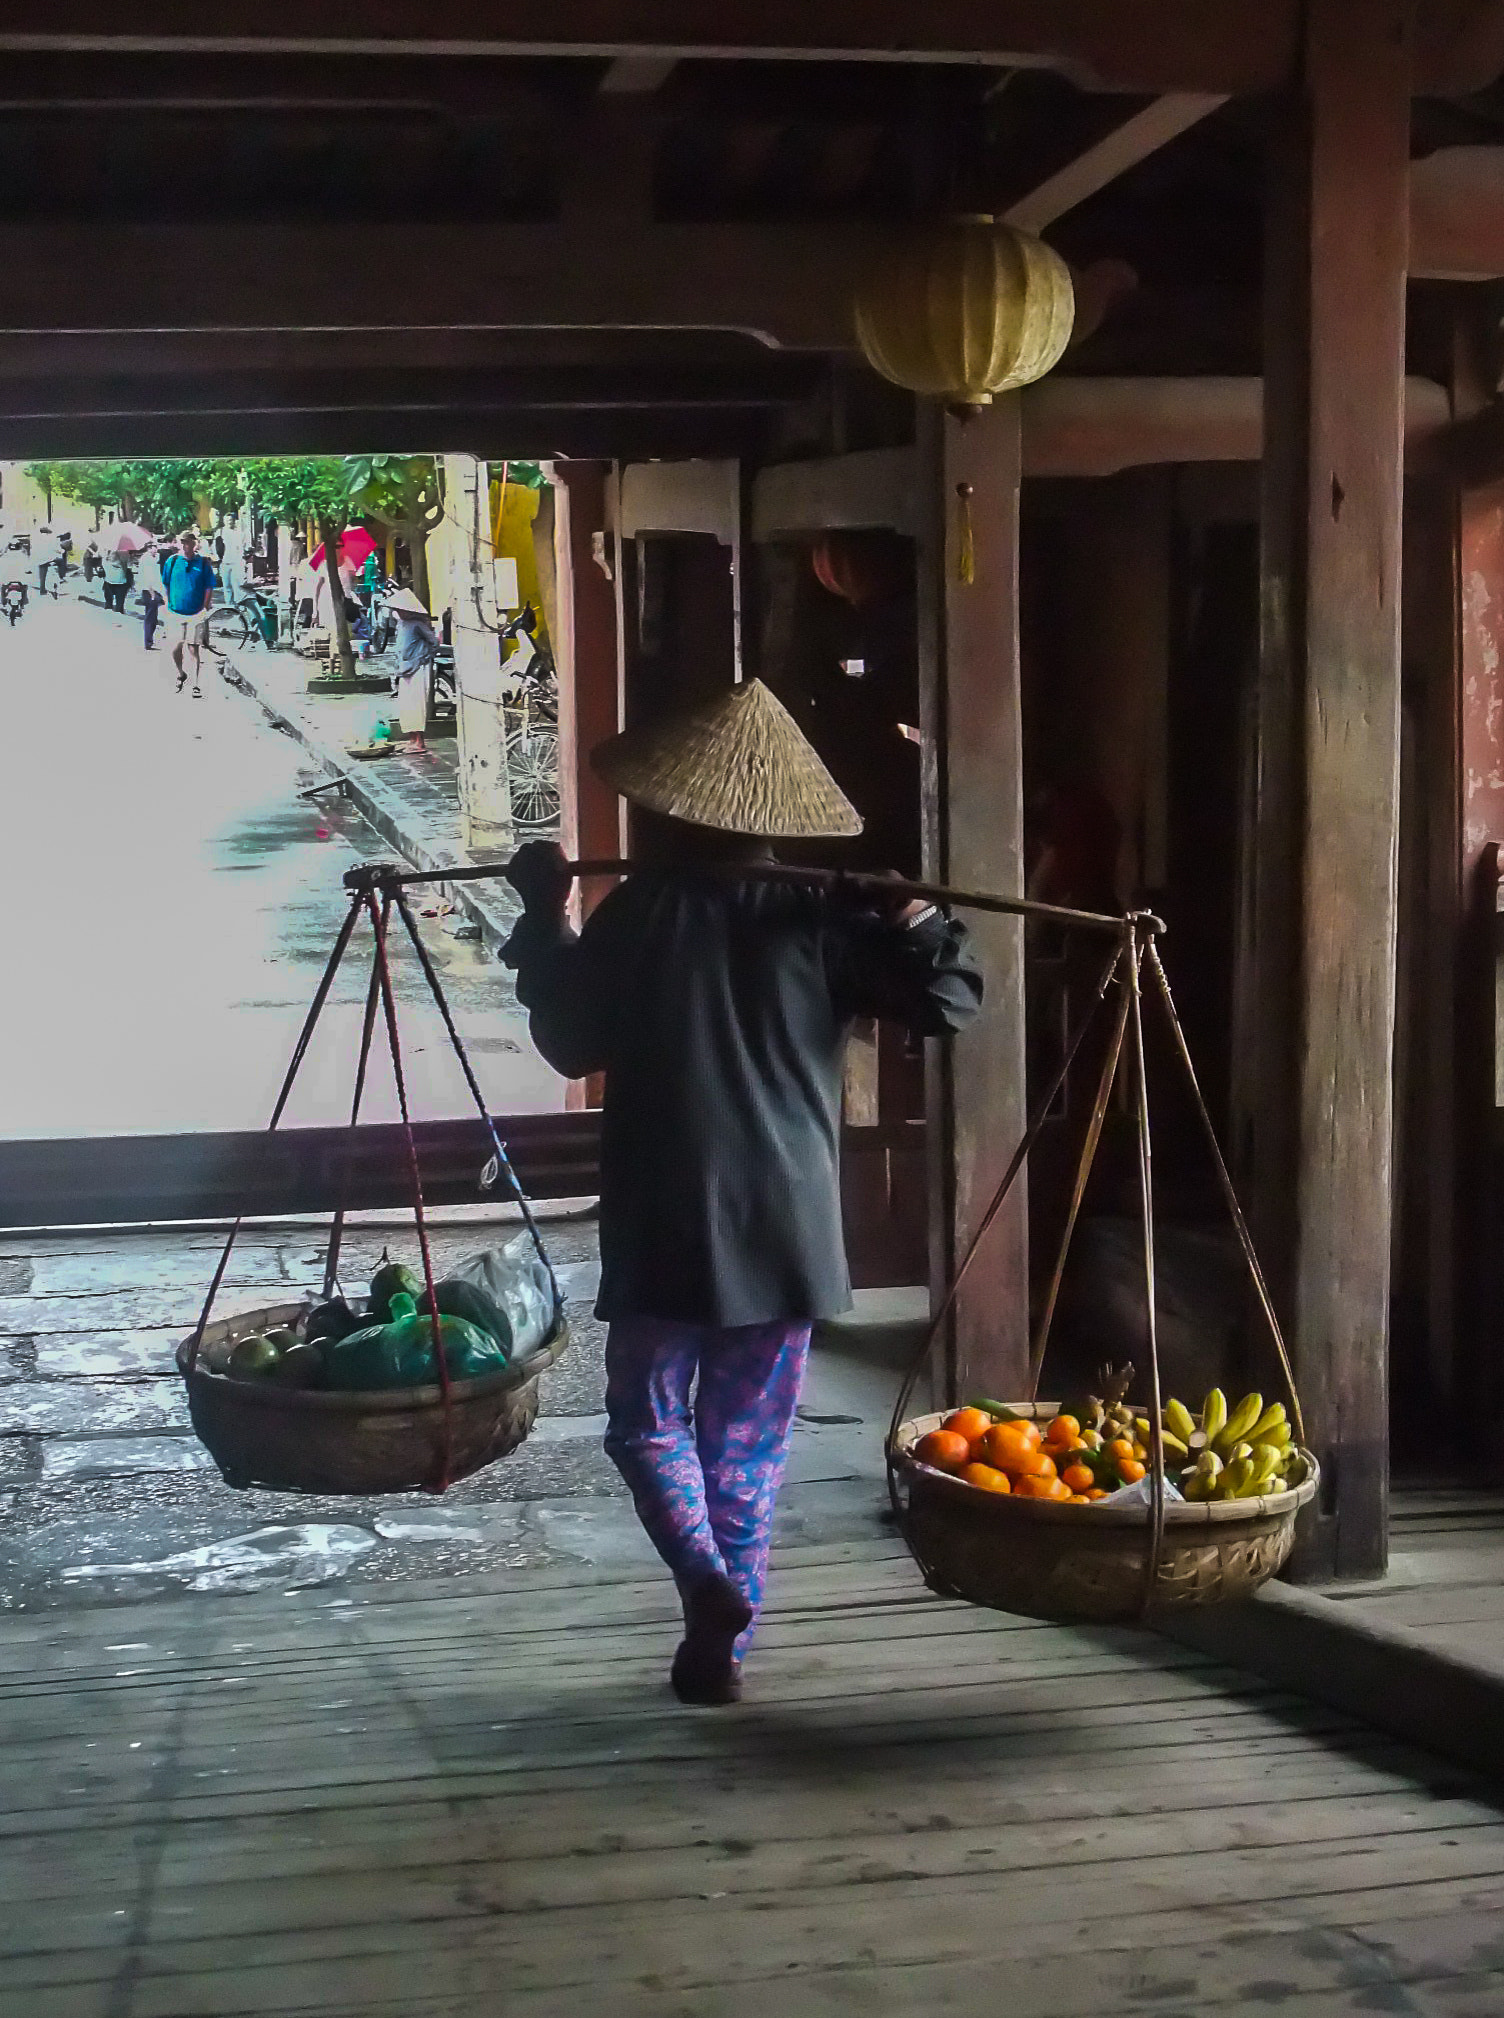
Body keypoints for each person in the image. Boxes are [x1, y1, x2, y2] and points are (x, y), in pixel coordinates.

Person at [503, 680, 983, 1705]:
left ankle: (704, 1582)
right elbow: (946, 1000)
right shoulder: (820, 917)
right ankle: (725, 1638)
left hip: (667, 1212)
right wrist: (916, 916)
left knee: (644, 1422)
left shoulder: (641, 910)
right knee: (747, 1441)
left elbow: (570, 1039)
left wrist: (544, 922)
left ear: (671, 812)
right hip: (789, 1224)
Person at [161, 528, 216, 697]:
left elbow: (209, 586)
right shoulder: (172, 561)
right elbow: (166, 584)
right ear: (179, 544)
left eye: (189, 542)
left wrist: (205, 608)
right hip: (175, 611)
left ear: (194, 544)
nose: (186, 545)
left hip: (196, 612)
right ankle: (180, 673)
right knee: (176, 647)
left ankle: (196, 684)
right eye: (183, 542)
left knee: (194, 649)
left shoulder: (203, 563)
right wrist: (168, 603)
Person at [386, 587, 438, 737]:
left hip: (417, 667)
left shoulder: (417, 624)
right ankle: (412, 739)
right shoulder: (401, 624)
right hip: (404, 668)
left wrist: (423, 657)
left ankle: (419, 740)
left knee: (417, 703)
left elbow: (434, 642)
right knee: (407, 704)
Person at [137, 540, 166, 650]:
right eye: (153, 547)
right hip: (149, 590)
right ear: (148, 548)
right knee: (150, 617)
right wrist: (152, 593)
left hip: (155, 589)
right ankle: (148, 641)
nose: (155, 549)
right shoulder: (146, 559)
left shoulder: (155, 558)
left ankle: (149, 640)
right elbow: (147, 577)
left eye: (156, 546)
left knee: (153, 617)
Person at [100, 544, 133, 614]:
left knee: (109, 603)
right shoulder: (123, 559)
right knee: (120, 604)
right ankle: (119, 614)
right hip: (121, 584)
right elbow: (129, 566)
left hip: (109, 583)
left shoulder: (105, 562)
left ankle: (109, 615)